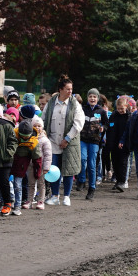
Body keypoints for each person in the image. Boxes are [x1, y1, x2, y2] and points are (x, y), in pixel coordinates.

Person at [42, 74, 84, 206]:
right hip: (53, 142)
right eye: (67, 89)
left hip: (69, 143)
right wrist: (44, 133)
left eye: (71, 89)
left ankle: (66, 196)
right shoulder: (52, 102)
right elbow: (44, 118)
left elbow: (78, 123)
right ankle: (55, 195)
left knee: (68, 170)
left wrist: (67, 139)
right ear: (60, 89)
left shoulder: (74, 104)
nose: (70, 91)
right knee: (54, 169)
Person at [77, 88, 108, 200]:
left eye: (94, 97)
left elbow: (106, 124)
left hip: (94, 140)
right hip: (83, 139)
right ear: (87, 98)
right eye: (90, 96)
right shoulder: (82, 109)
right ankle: (81, 180)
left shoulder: (101, 111)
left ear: (97, 98)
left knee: (91, 164)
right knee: (82, 159)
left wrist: (102, 128)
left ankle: (92, 188)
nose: (92, 98)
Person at [107, 96, 131, 191]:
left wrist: (124, 141)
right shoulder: (114, 115)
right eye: (118, 108)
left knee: (123, 162)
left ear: (126, 106)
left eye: (122, 108)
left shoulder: (129, 117)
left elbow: (128, 131)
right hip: (114, 143)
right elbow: (110, 127)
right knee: (115, 162)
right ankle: (117, 180)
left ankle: (122, 181)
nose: (120, 110)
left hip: (124, 144)